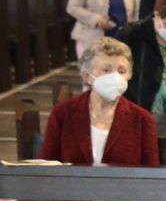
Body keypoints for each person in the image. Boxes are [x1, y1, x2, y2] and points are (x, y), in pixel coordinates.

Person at [40, 36, 159, 166]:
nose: (115, 77)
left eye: (122, 71)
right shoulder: (62, 114)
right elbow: (47, 166)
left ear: (129, 75)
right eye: (106, 70)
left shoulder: (142, 120)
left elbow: (151, 175)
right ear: (87, 76)